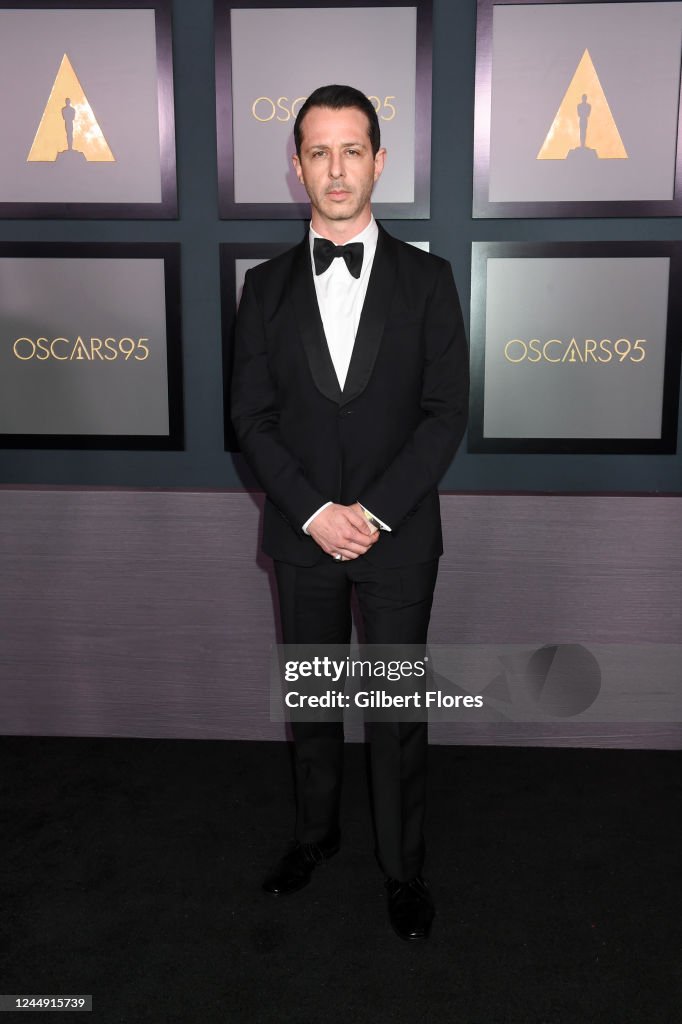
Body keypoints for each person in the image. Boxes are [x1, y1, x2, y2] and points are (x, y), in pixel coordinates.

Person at [231, 84, 469, 941]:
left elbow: (445, 414)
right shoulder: (262, 288)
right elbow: (251, 419)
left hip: (397, 536)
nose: (336, 169)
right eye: (319, 152)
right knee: (313, 696)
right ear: (297, 166)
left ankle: (404, 869)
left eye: (352, 150)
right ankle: (314, 835)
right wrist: (313, 514)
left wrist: (370, 512)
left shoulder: (429, 280)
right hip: (303, 538)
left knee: (397, 711)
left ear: (379, 161)